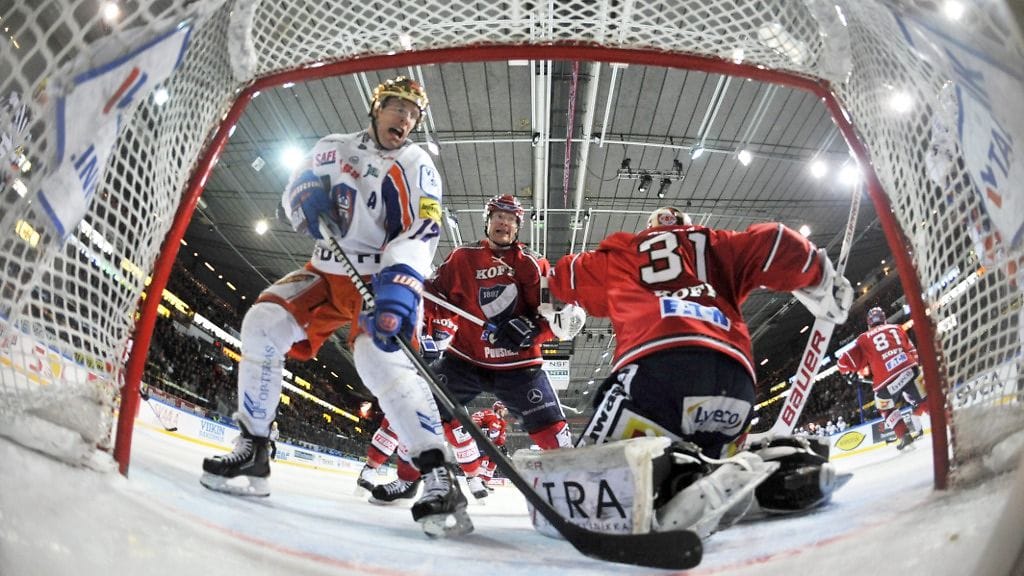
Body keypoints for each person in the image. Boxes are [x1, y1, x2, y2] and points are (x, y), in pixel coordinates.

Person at [200, 76, 473, 537]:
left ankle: (438, 473)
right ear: (377, 107)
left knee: (377, 360)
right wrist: (303, 201)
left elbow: (423, 231)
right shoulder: (332, 147)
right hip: (327, 270)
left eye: (412, 114)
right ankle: (254, 447)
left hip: (383, 278)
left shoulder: (415, 162)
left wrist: (402, 283)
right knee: (263, 321)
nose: (404, 119)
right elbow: (295, 190)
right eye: (397, 108)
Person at [539, 206, 854, 537]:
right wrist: (820, 277)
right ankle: (775, 472)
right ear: (690, 227)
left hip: (657, 372)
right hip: (735, 382)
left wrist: (545, 304)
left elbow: (559, 278)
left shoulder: (621, 253)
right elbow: (775, 242)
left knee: (594, 480)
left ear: (648, 229)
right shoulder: (716, 244)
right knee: (710, 463)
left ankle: (679, 484)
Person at [368, 194, 586, 504]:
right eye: (498, 216)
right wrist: (403, 288)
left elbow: (553, 318)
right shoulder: (461, 259)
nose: (503, 223)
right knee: (423, 411)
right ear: (487, 221)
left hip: (519, 366)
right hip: (465, 359)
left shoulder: (533, 264)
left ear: (518, 226)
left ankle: (578, 488)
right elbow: (437, 304)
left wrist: (533, 330)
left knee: (552, 429)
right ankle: (407, 480)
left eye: (511, 219)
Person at [837, 306, 926, 450]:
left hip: (886, 382)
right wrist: (913, 368)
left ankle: (904, 435)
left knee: (885, 407)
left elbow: (846, 360)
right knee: (926, 398)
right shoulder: (897, 328)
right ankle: (946, 416)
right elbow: (912, 350)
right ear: (884, 319)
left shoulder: (864, 338)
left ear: (869, 323)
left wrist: (843, 368)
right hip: (910, 370)